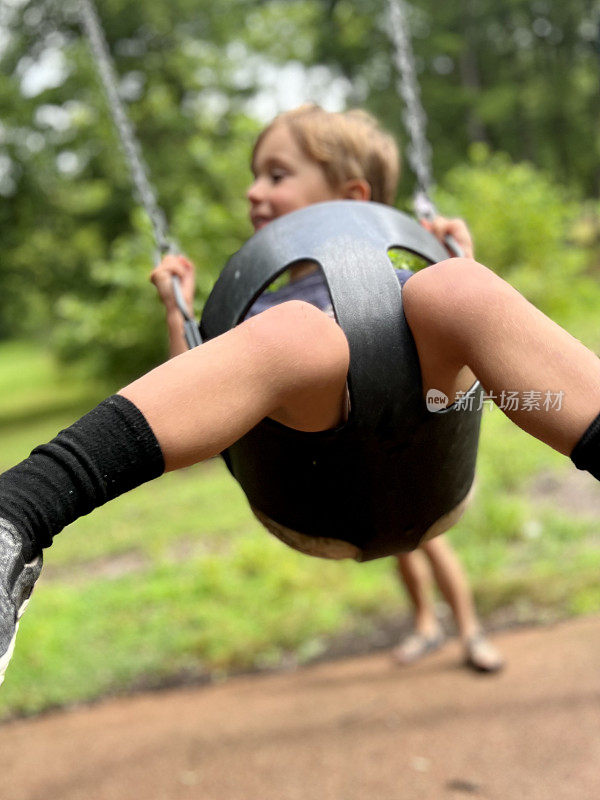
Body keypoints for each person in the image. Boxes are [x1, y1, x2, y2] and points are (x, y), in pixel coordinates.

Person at [2, 105, 599, 688]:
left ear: (353, 197)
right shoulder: (263, 312)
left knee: (455, 289)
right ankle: (18, 513)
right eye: (256, 174)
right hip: (307, 485)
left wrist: (463, 262)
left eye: (276, 175)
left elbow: (482, 350)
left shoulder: (410, 284)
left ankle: (464, 628)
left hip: (425, 460)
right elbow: (195, 400)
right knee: (300, 333)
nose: (252, 191)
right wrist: (176, 315)